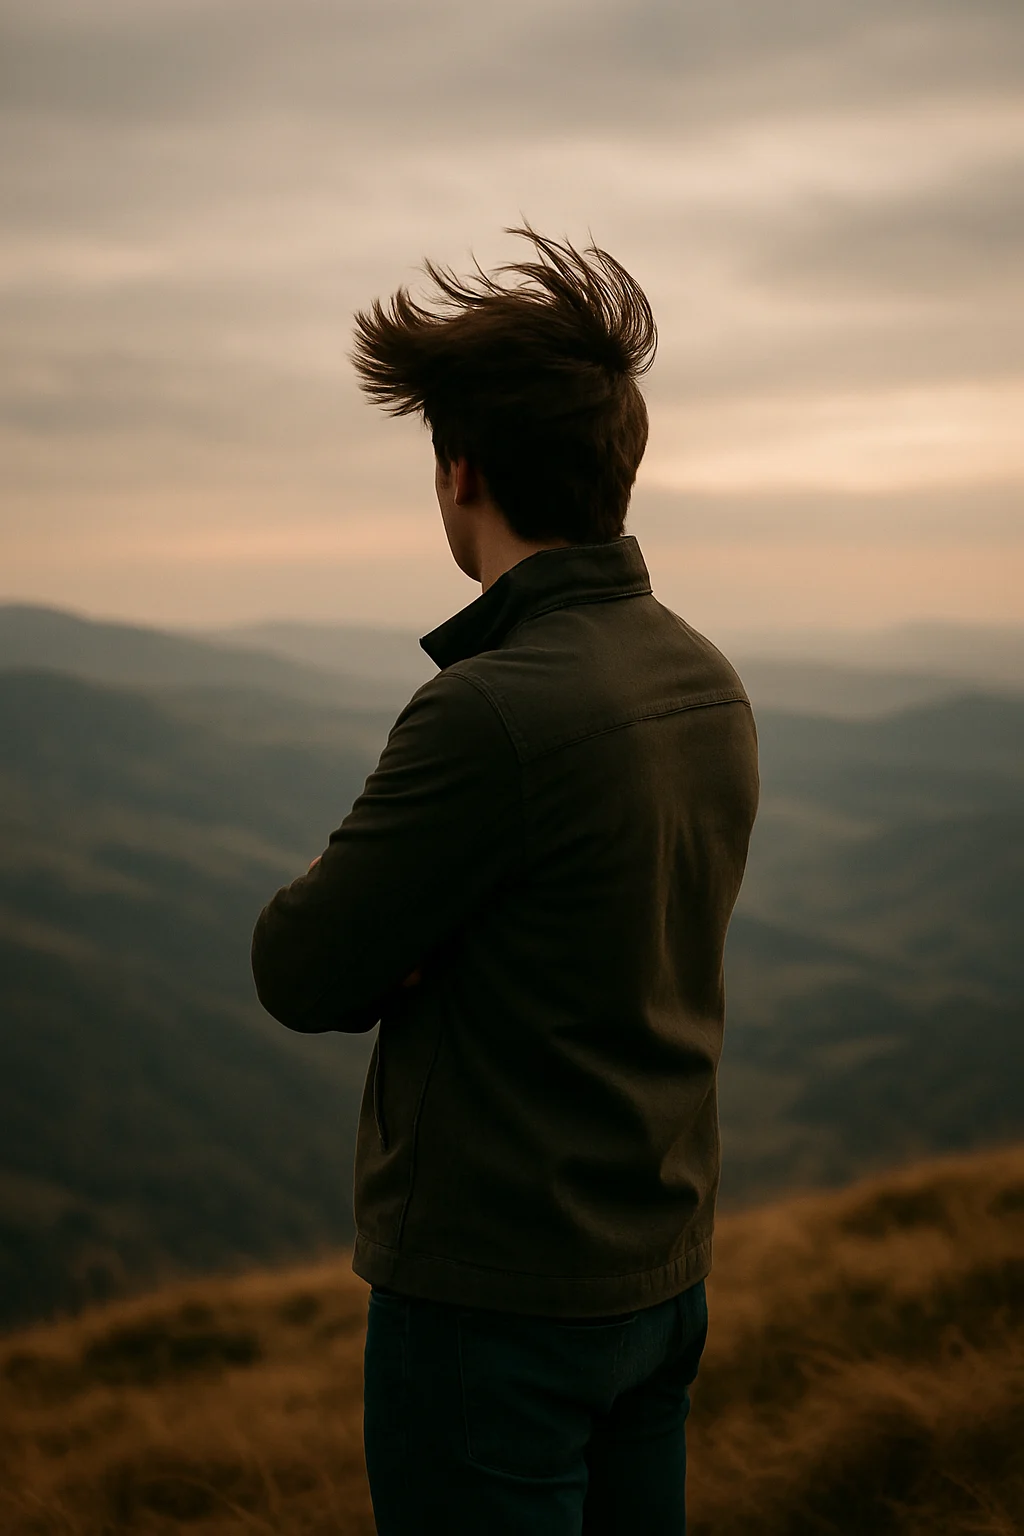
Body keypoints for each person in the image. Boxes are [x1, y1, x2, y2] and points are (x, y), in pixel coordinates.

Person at [251, 227, 759, 1536]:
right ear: (615, 468)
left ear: (459, 474)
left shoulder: (486, 713)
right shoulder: (705, 677)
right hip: (658, 1273)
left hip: (496, 1306)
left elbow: (300, 967)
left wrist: (415, 933)